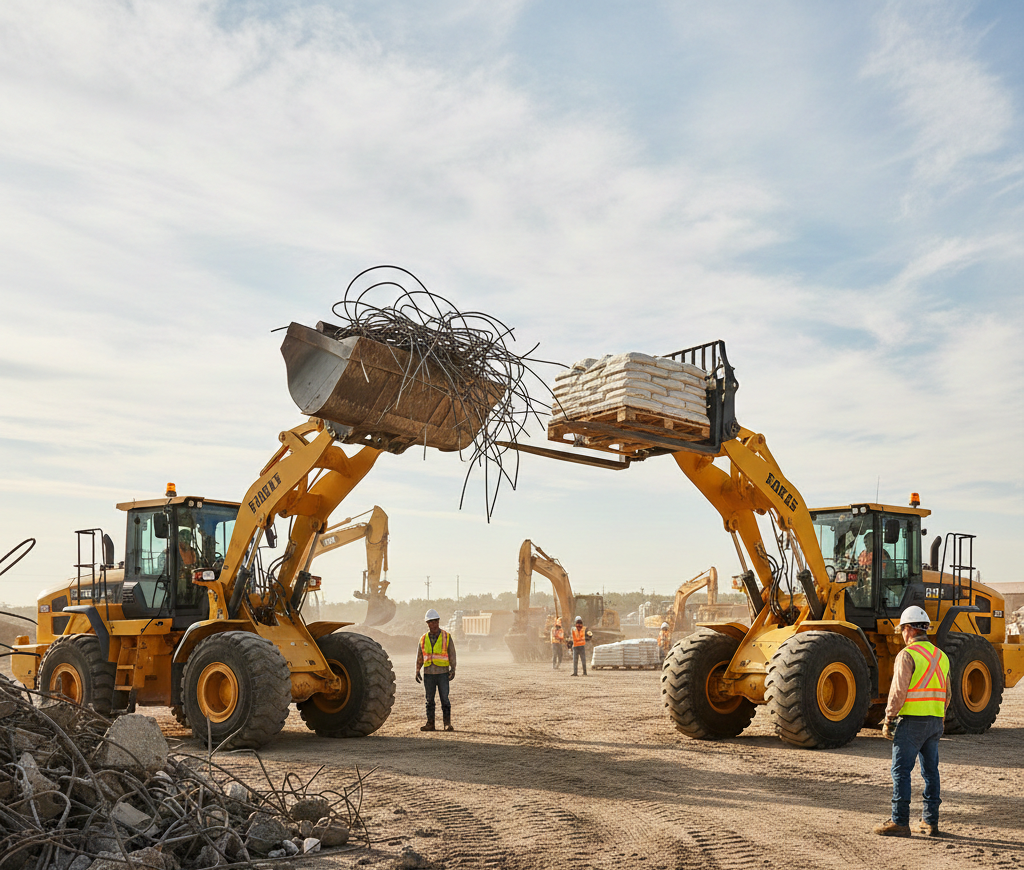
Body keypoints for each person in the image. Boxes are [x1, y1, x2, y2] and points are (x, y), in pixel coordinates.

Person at [874, 606, 950, 837]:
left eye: (902, 631)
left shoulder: (907, 655)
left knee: (901, 770)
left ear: (908, 629)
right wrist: (938, 715)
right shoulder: (941, 655)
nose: (902, 635)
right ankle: (930, 822)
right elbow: (947, 694)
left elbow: (898, 691)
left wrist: (889, 718)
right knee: (930, 772)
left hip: (912, 722)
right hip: (935, 721)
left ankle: (899, 822)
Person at [415, 608, 457, 732]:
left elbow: (452, 654)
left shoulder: (446, 637)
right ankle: (430, 724)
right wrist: (417, 670)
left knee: (445, 699)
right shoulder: (423, 639)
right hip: (428, 674)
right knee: (429, 700)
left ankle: (447, 724)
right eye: (430, 622)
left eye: (435, 621)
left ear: (438, 621)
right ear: (427, 623)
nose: (433, 624)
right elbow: (420, 656)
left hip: (443, 673)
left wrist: (453, 669)